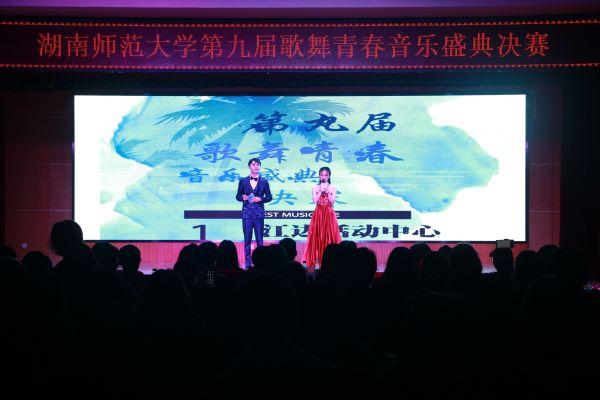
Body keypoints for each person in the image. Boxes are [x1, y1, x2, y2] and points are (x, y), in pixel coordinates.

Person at [236, 158, 272, 269]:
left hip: (259, 214)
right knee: (247, 240)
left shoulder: (264, 181)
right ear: (249, 167)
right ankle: (247, 265)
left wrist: (260, 199)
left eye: (257, 164)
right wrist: (243, 197)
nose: (256, 166)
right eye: (253, 164)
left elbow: (269, 197)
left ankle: (261, 265)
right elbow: (237, 196)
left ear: (260, 166)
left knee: (260, 241)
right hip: (246, 214)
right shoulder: (243, 181)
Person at [303, 167, 341, 268]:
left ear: (329, 176)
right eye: (321, 175)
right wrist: (320, 191)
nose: (323, 177)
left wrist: (327, 192)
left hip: (328, 213)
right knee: (317, 235)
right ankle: (317, 258)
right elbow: (315, 201)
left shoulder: (332, 187)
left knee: (329, 234)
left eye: (326, 175)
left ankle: (330, 258)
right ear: (319, 176)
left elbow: (332, 202)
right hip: (319, 213)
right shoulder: (315, 187)